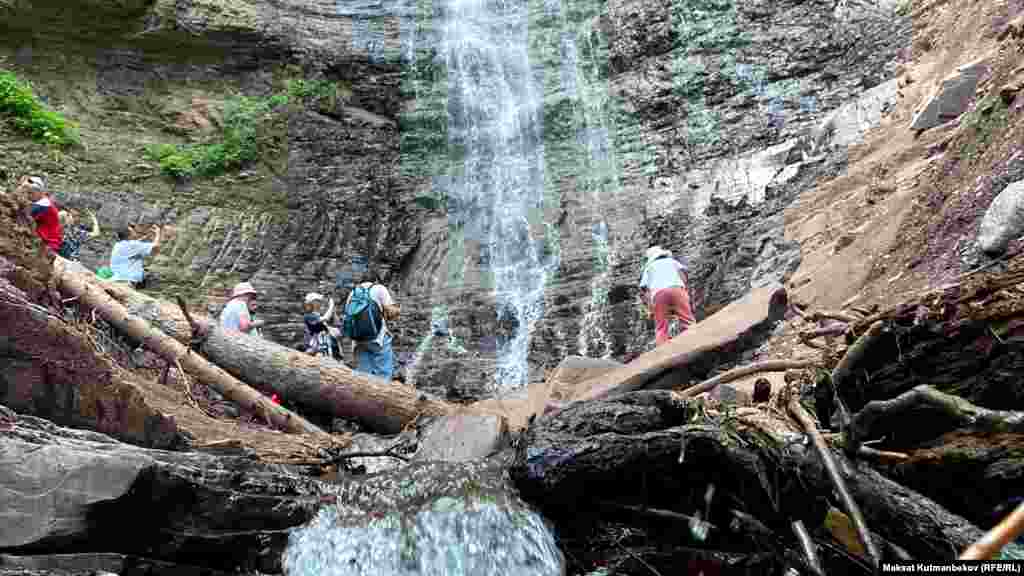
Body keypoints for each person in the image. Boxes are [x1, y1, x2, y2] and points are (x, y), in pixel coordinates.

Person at [342, 273, 400, 381]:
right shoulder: (379, 288)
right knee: (383, 372)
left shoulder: (353, 293)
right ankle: (383, 395)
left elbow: (347, 317)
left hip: (358, 340)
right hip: (377, 338)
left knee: (363, 375)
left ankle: (361, 396)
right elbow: (391, 312)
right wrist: (397, 310)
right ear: (376, 281)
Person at [640, 245, 695, 346]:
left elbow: (645, 289)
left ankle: (663, 350)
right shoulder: (672, 262)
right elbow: (683, 275)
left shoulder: (649, 267)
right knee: (688, 320)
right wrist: (685, 291)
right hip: (677, 289)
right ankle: (695, 342)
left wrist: (650, 307)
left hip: (658, 294)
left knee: (661, 326)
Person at [109, 224, 161, 289]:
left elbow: (136, 244)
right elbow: (155, 247)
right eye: (133, 231)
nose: (135, 231)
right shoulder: (132, 245)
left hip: (119, 279)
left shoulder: (119, 245)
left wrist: (147, 236)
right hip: (126, 282)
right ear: (129, 235)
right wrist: (158, 233)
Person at [21, 176, 63, 253]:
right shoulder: (44, 201)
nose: (28, 196)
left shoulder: (43, 205)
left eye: (30, 193)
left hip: (50, 244)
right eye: (26, 193)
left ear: (39, 192)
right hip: (45, 241)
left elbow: (23, 215)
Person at [303, 292, 342, 361]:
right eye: (318, 301)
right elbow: (325, 318)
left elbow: (338, 325)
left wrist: (333, 311)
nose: (320, 302)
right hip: (317, 348)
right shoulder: (308, 316)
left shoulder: (318, 314)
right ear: (313, 302)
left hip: (326, 347)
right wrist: (331, 306)